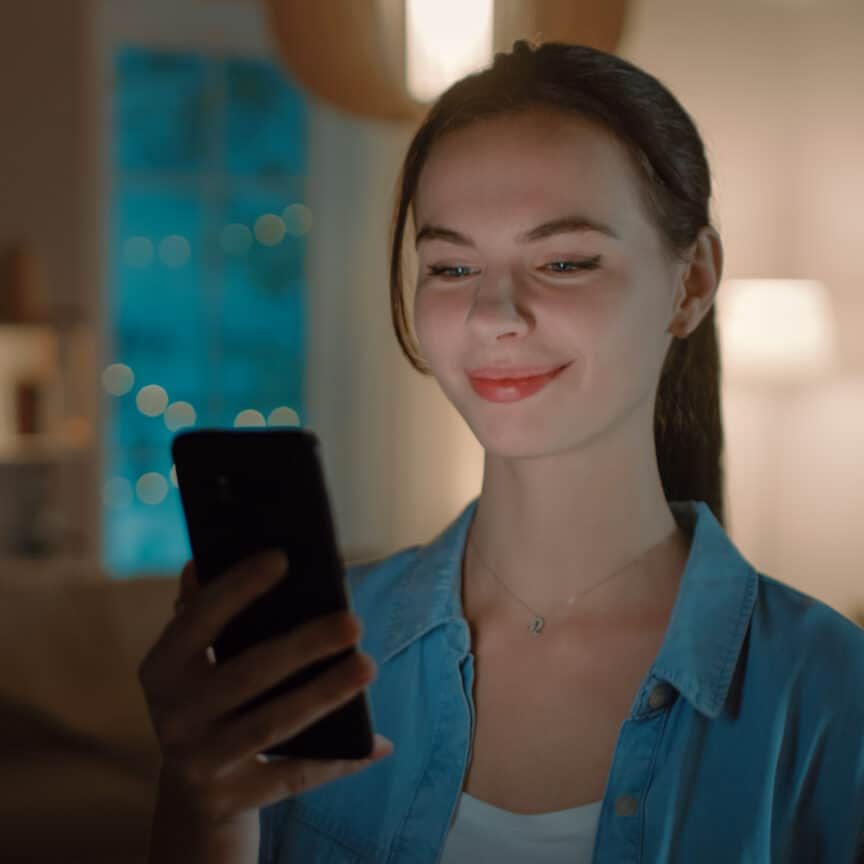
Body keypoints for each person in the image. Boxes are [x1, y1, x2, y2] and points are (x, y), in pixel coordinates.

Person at [141, 39, 864, 864]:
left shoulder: (830, 693)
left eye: (563, 261)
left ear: (691, 281)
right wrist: (201, 811)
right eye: (451, 266)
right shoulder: (310, 660)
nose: (495, 315)